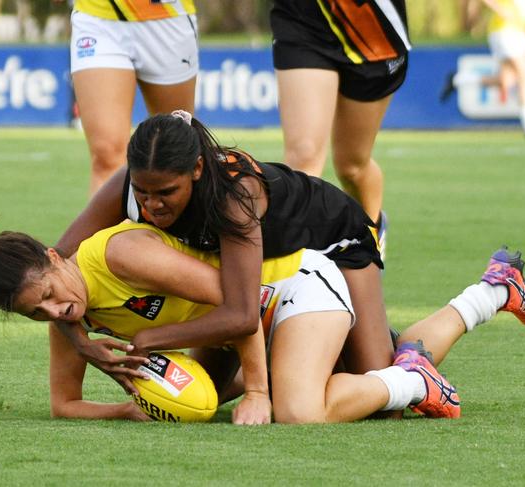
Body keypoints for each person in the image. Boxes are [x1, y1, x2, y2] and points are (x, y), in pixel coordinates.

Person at [0, 222, 525, 423]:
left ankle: (418, 384)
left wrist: (258, 389)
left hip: (289, 285)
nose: (56, 311)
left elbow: (242, 299)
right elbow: (64, 405)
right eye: (36, 313)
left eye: (49, 293)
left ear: (54, 256)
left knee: (300, 411)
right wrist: (134, 407)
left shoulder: (117, 256)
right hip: (241, 324)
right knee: (370, 373)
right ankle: (491, 293)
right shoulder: (67, 320)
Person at [52, 111, 394, 394]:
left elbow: (243, 315)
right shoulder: (126, 185)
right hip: (271, 273)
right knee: (205, 393)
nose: (152, 204)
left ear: (197, 169)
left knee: (377, 387)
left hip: (336, 239)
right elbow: (50, 264)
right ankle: (300, 361)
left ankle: (408, 356)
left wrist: (148, 340)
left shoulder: (234, 196)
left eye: (167, 192)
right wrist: (81, 343)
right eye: (143, 192)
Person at [270, 0, 412, 261]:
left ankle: (369, 234)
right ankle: (294, 276)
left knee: (352, 166)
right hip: (304, 19)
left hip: (372, 28)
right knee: (303, 156)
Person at [63, 0, 198, 194]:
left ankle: (180, 224)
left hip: (167, 16)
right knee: (106, 155)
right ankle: (115, 225)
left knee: (177, 152)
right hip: (97, 17)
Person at [441, 0, 525, 137]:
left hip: (516, 34)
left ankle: (458, 80)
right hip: (508, 31)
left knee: (506, 81)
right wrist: (501, 10)